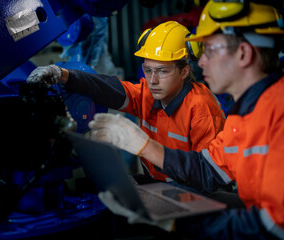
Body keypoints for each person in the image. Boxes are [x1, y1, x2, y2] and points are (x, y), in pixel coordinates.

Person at [88, 0, 284, 239]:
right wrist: (144, 150)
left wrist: (177, 221)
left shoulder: (278, 114)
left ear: (243, 53)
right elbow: (206, 169)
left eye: (209, 50)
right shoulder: (244, 114)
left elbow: (272, 227)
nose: (200, 62)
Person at [27, 21, 226, 184]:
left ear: (184, 71)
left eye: (162, 71)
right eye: (148, 70)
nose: (152, 80)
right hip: (159, 184)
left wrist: (145, 146)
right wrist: (63, 75)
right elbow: (110, 89)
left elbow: (208, 176)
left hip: (195, 196)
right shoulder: (149, 94)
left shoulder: (202, 109)